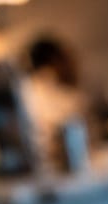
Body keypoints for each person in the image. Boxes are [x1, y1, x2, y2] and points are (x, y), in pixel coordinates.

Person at [20, 35, 90, 167]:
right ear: (55, 60)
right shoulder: (59, 95)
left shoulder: (24, 89)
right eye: (66, 58)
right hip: (61, 167)